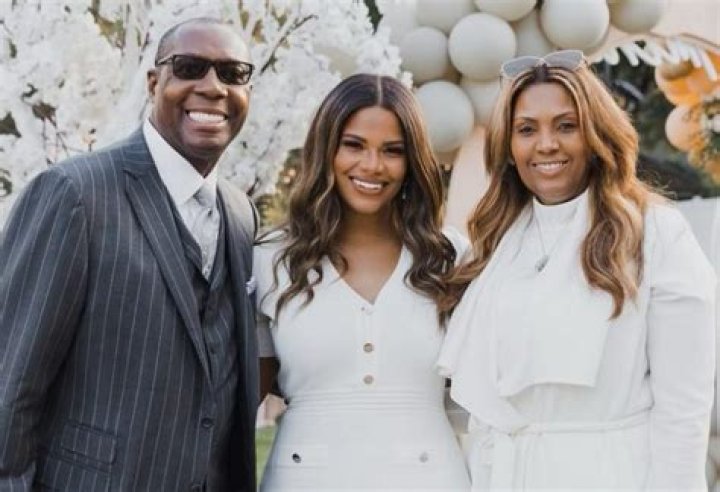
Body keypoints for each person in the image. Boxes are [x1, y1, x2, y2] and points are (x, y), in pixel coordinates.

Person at [437, 50, 717, 490]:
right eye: (526, 129)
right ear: (508, 147)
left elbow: (683, 411)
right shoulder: (495, 244)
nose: (546, 144)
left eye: (566, 126)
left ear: (596, 134)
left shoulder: (655, 233)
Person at [0, 18, 258, 491]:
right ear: (154, 83)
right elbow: (9, 384)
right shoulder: (75, 193)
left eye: (232, 73)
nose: (212, 87)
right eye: (190, 67)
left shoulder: (242, 215)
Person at [254, 73, 471, 490]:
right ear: (326, 149)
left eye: (393, 151)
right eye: (353, 145)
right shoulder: (271, 260)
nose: (372, 165)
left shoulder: (449, 257)